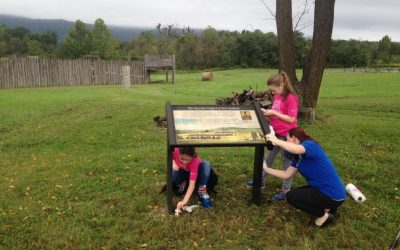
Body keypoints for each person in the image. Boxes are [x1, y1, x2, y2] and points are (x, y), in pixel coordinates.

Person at [264, 127, 346, 227]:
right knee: (296, 193)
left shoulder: (310, 145)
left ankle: (324, 215)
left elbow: (294, 148)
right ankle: (328, 208)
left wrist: (276, 140)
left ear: (294, 138)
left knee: (292, 197)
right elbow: (286, 174)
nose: (286, 141)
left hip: (333, 194)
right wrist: (266, 169)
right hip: (327, 192)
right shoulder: (299, 159)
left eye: (287, 139)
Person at [245, 71, 299, 201]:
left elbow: (292, 119)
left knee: (287, 163)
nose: (273, 93)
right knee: (268, 159)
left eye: (274, 90)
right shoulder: (278, 97)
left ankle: (286, 191)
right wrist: (269, 114)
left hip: (287, 137)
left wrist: (274, 112)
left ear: (282, 85)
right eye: (271, 91)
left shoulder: (291, 98)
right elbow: (278, 113)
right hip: (275, 135)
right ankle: (260, 182)